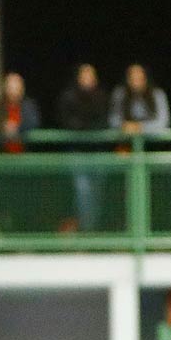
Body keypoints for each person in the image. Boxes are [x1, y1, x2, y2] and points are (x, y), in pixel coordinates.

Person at [55, 63, 109, 233]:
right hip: (78, 152)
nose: (87, 80)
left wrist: (86, 126)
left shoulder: (101, 97)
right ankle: (85, 231)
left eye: (90, 76)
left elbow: (103, 122)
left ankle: (94, 229)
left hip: (98, 152)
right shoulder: (69, 96)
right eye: (84, 76)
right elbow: (66, 121)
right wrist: (84, 126)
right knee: (82, 192)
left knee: (97, 194)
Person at [0, 71, 39, 154]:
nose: (12, 91)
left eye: (16, 88)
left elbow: (34, 123)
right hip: (2, 154)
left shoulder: (28, 106)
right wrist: (3, 127)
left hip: (25, 154)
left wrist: (17, 128)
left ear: (21, 89)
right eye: (10, 87)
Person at [109, 63, 170, 137]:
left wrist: (140, 127)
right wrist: (124, 126)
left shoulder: (157, 94)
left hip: (153, 140)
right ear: (127, 80)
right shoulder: (120, 94)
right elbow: (113, 120)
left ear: (145, 79)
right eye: (132, 78)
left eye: (139, 78)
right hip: (127, 139)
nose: (136, 82)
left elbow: (163, 122)